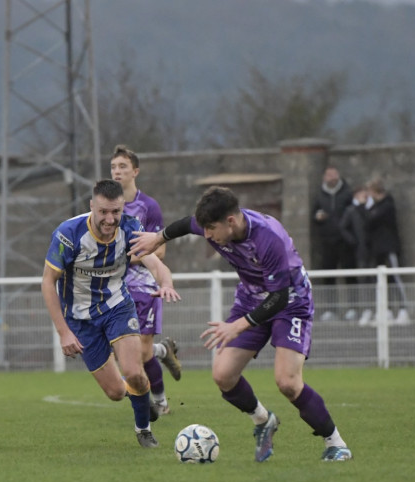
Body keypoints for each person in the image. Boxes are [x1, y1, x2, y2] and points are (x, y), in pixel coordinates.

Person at [130, 186, 353, 462]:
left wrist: (238, 326)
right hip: (250, 299)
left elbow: (279, 296)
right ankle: (263, 420)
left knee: (288, 383)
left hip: (291, 303)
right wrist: (157, 238)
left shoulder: (268, 238)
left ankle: (336, 442)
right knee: (223, 375)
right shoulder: (212, 224)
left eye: (211, 229)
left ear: (231, 221)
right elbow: (188, 224)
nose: (207, 235)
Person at [41, 179, 180, 448]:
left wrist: (166, 283)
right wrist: (63, 332)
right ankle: (141, 398)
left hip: (118, 307)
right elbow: (48, 282)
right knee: (116, 392)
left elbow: (154, 261)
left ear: (122, 208)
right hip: (81, 319)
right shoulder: (68, 234)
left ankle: (144, 430)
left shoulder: (130, 227)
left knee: (135, 371)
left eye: (115, 212)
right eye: (103, 211)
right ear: (92, 206)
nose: (109, 218)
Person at [110, 144, 183, 416]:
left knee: (140, 352)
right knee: (123, 351)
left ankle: (161, 402)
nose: (117, 172)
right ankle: (163, 351)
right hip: (114, 289)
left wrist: (127, 255)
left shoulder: (148, 206)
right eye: (114, 167)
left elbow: (160, 250)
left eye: (123, 167)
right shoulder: (107, 206)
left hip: (143, 287)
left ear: (135, 171)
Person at [360, 177, 410, 326]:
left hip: (389, 247)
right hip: (377, 249)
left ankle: (403, 309)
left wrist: (366, 207)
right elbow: (366, 223)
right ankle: (385, 310)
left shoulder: (387, 205)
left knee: (395, 277)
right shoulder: (374, 207)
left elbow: (373, 218)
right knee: (381, 281)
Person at [311, 166, 356, 321]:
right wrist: (318, 217)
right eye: (329, 175)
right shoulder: (319, 195)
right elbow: (314, 214)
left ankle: (353, 308)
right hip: (327, 241)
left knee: (350, 274)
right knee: (329, 276)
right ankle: (331, 309)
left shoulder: (347, 193)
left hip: (345, 241)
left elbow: (354, 214)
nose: (332, 178)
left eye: (334, 174)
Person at [339, 188, 372, 322]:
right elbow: (343, 227)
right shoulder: (351, 210)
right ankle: (364, 309)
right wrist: (354, 241)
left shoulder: (370, 209)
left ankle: (375, 309)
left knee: (374, 280)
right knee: (362, 279)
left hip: (372, 250)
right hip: (360, 251)